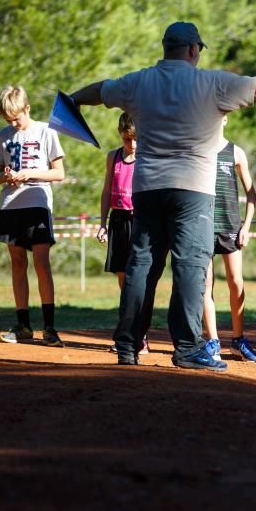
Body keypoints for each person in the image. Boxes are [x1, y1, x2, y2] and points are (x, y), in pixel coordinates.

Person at [70, 21, 256, 369]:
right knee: (190, 266)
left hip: (147, 188)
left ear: (165, 47)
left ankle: (127, 346)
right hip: (193, 192)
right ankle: (186, 349)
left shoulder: (138, 82)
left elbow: (100, 91)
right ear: (194, 50)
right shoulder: (210, 82)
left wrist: (73, 100)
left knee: (140, 265)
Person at [0, 85, 66, 347]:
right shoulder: (3, 135)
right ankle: (23, 325)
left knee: (42, 263)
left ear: (27, 108)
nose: (13, 123)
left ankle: (49, 327)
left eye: (17, 117)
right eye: (8, 119)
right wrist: (7, 176)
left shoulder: (46, 131)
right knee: (17, 263)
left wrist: (29, 174)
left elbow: (59, 173)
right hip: (11, 205)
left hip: (37, 204)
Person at [201, 116, 256, 363]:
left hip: (230, 227)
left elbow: (251, 193)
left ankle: (238, 338)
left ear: (224, 119)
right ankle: (212, 341)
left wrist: (246, 226)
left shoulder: (235, 152)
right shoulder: (199, 149)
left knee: (236, 282)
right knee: (205, 286)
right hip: (203, 225)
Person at [96, 113, 154, 355]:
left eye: (135, 139)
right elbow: (107, 189)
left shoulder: (146, 157)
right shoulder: (114, 157)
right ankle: (128, 332)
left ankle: (140, 336)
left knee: (138, 279)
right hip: (118, 220)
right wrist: (102, 223)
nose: (132, 144)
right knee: (123, 280)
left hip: (139, 220)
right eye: (127, 138)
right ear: (120, 134)